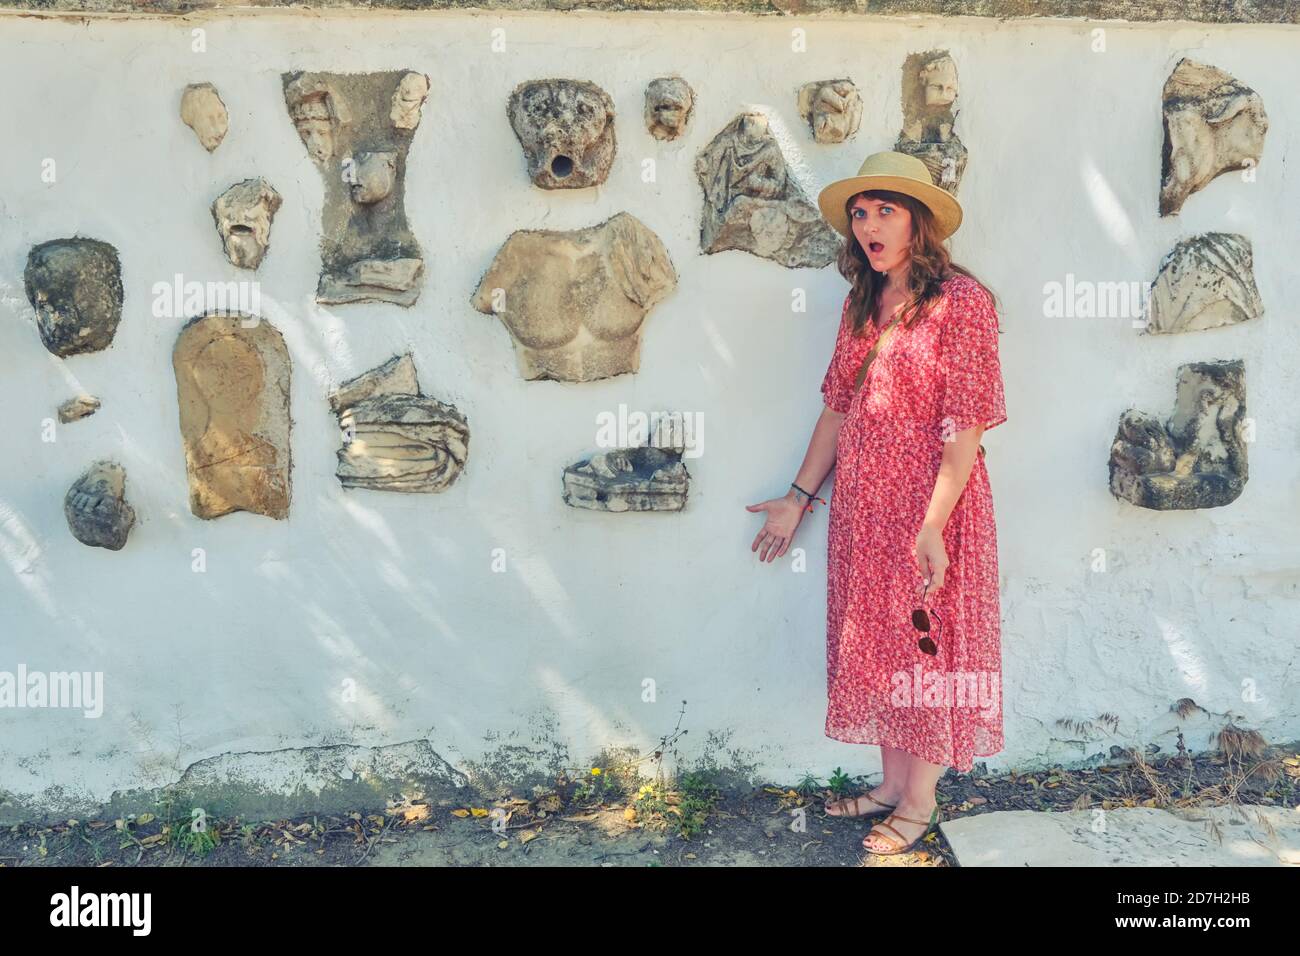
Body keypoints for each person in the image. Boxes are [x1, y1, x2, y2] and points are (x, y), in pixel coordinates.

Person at [745, 151, 1008, 856]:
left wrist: (933, 525)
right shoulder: (863, 301)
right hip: (866, 506)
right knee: (883, 648)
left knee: (928, 652)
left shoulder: (963, 303)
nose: (868, 225)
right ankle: (891, 787)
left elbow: (966, 427)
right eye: (860, 213)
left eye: (885, 210)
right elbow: (838, 405)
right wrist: (799, 498)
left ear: (920, 222)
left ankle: (919, 802)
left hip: (930, 507)